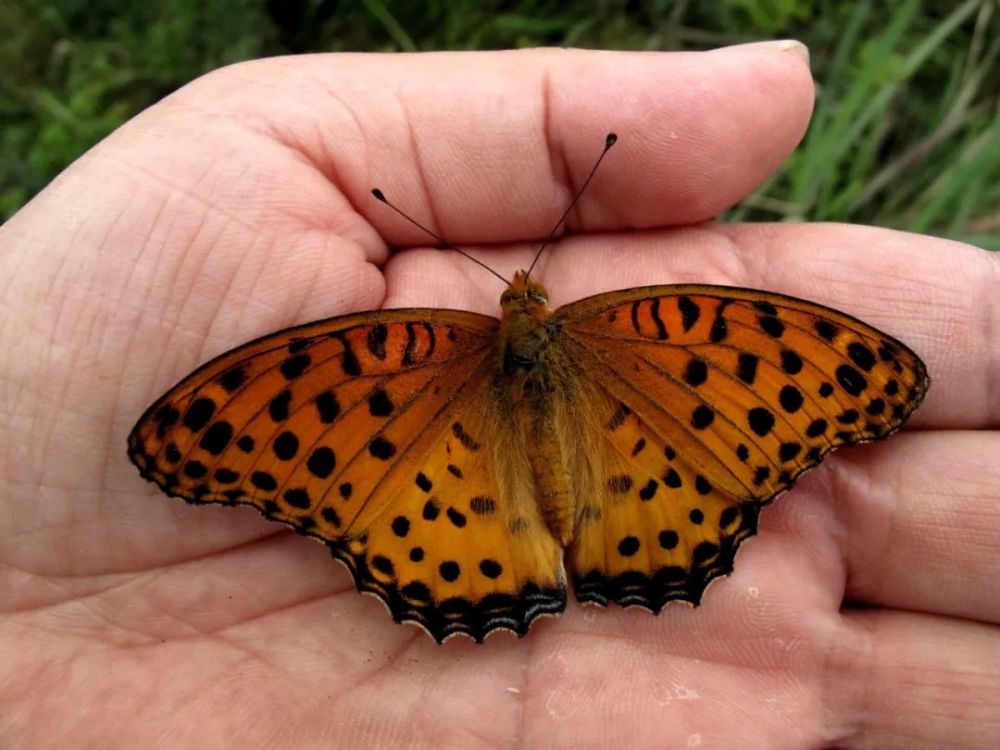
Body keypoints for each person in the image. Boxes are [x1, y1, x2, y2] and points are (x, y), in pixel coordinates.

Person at [1, 42, 997, 747]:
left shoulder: (376, 357)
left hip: (446, 501)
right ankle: (617, 558)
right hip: (645, 474)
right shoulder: (677, 328)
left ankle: (523, 568)